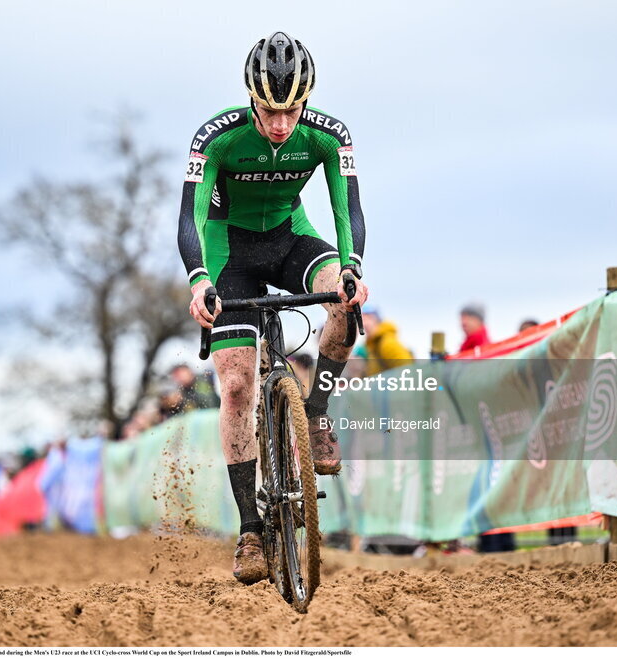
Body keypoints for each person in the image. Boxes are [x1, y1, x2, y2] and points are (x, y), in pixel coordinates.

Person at [179, 32, 369, 584]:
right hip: (228, 253)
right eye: (269, 110)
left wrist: (353, 266)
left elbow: (347, 207)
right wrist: (198, 282)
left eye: (292, 110)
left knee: (343, 298)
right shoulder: (216, 138)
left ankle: (315, 415)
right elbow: (188, 219)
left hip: (290, 240)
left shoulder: (329, 135)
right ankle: (249, 531)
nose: (281, 124)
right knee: (236, 384)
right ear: (250, 99)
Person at [361, 307, 414, 376]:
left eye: (368, 318)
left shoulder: (388, 343)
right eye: (362, 320)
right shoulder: (373, 346)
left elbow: (407, 372)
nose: (364, 324)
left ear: (377, 320)